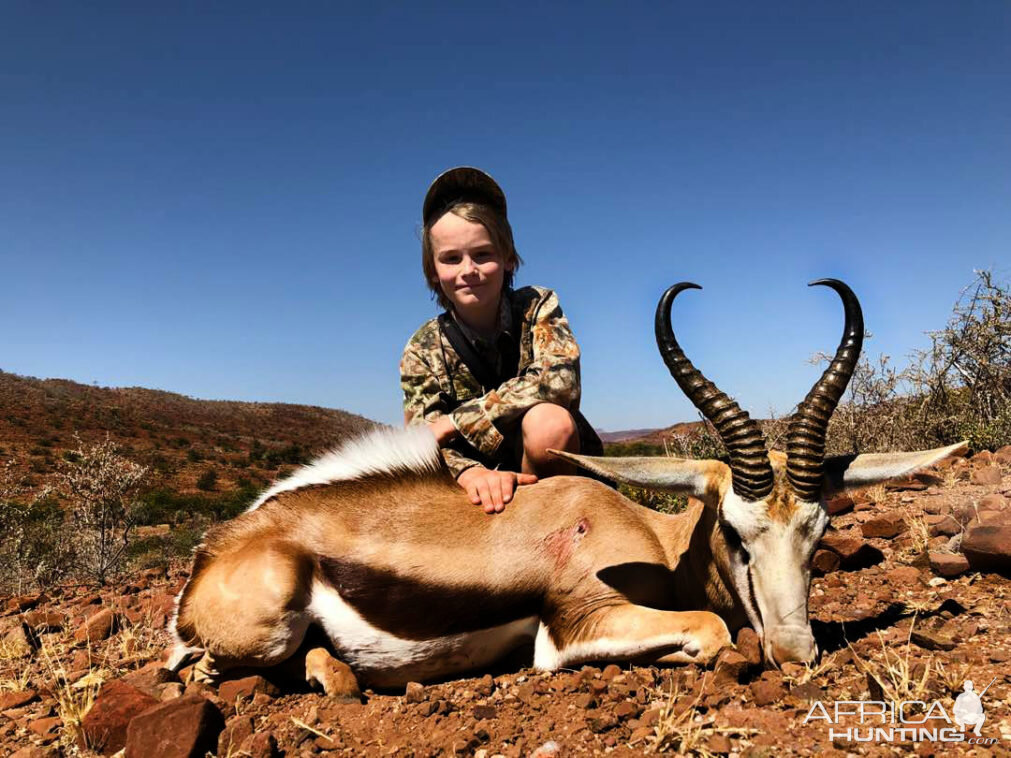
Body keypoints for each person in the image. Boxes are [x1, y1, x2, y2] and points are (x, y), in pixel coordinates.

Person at [400, 166, 603, 514]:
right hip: (478, 487)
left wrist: (456, 421)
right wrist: (470, 473)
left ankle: (552, 527)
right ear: (433, 271)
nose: (468, 270)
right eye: (451, 259)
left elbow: (560, 383)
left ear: (508, 258)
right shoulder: (421, 348)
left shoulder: (537, 306)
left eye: (482, 254)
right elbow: (421, 440)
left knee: (549, 425)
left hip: (553, 475)